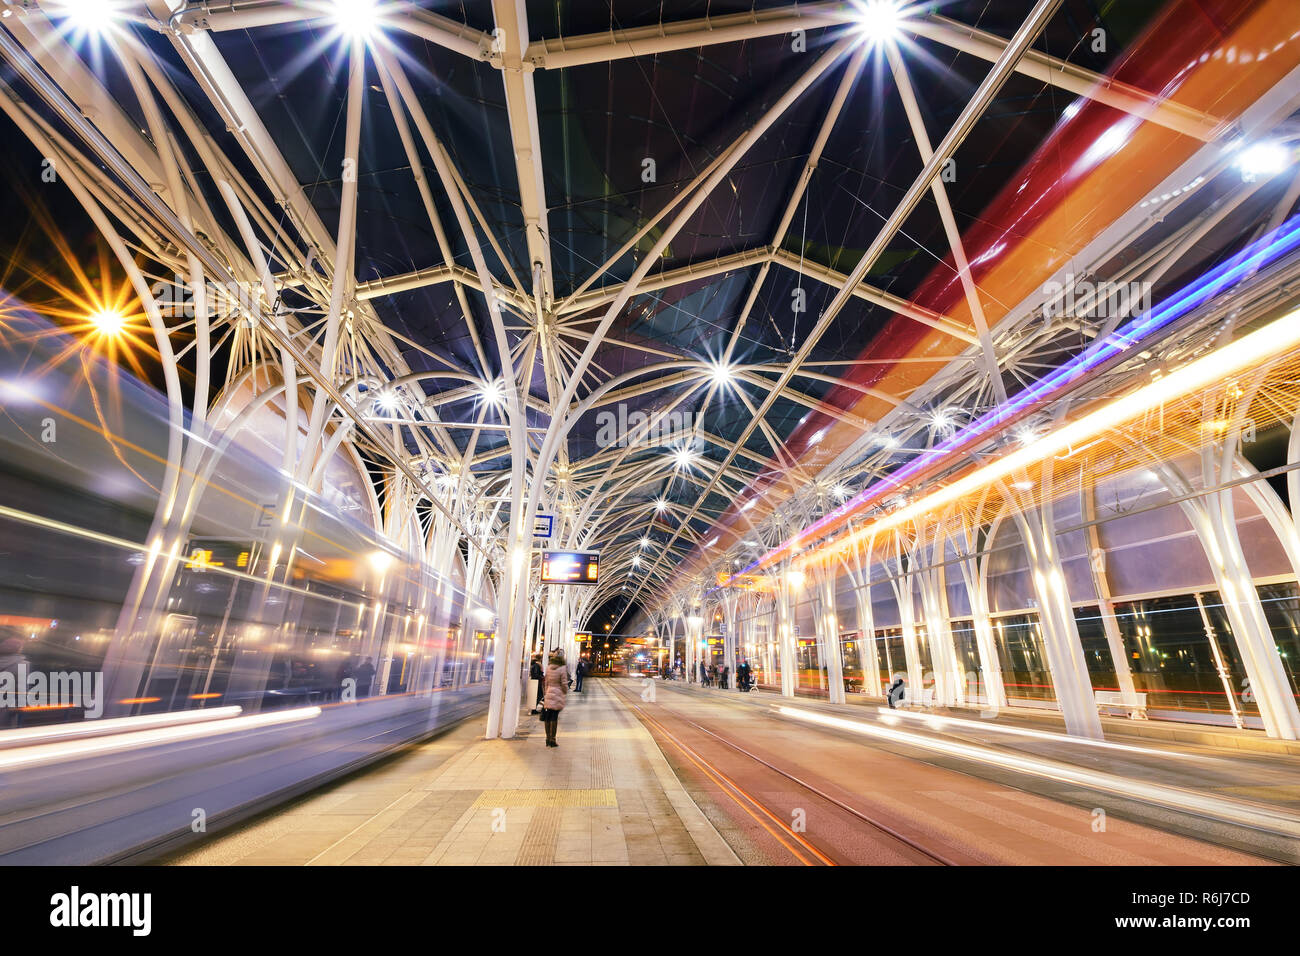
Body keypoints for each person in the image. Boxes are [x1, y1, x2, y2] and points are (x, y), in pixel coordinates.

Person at [541, 648, 570, 748]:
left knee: (547, 717)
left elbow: (546, 682)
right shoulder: (562, 668)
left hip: (549, 693)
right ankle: (553, 739)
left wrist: (546, 693)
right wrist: (565, 692)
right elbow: (564, 684)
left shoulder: (548, 667)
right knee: (554, 717)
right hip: (557, 694)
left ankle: (547, 739)